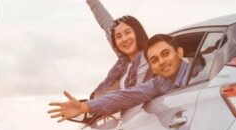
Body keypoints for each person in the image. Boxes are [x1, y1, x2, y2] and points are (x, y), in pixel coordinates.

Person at [49, 34, 194, 120]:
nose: (161, 62)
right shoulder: (158, 83)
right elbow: (125, 96)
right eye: (154, 60)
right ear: (152, 67)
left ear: (179, 53)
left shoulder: (200, 73)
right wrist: (84, 106)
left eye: (165, 54)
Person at [81, 0, 152, 97]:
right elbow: (106, 23)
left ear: (137, 33)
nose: (124, 39)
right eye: (118, 36)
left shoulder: (151, 56)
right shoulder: (123, 60)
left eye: (128, 32)